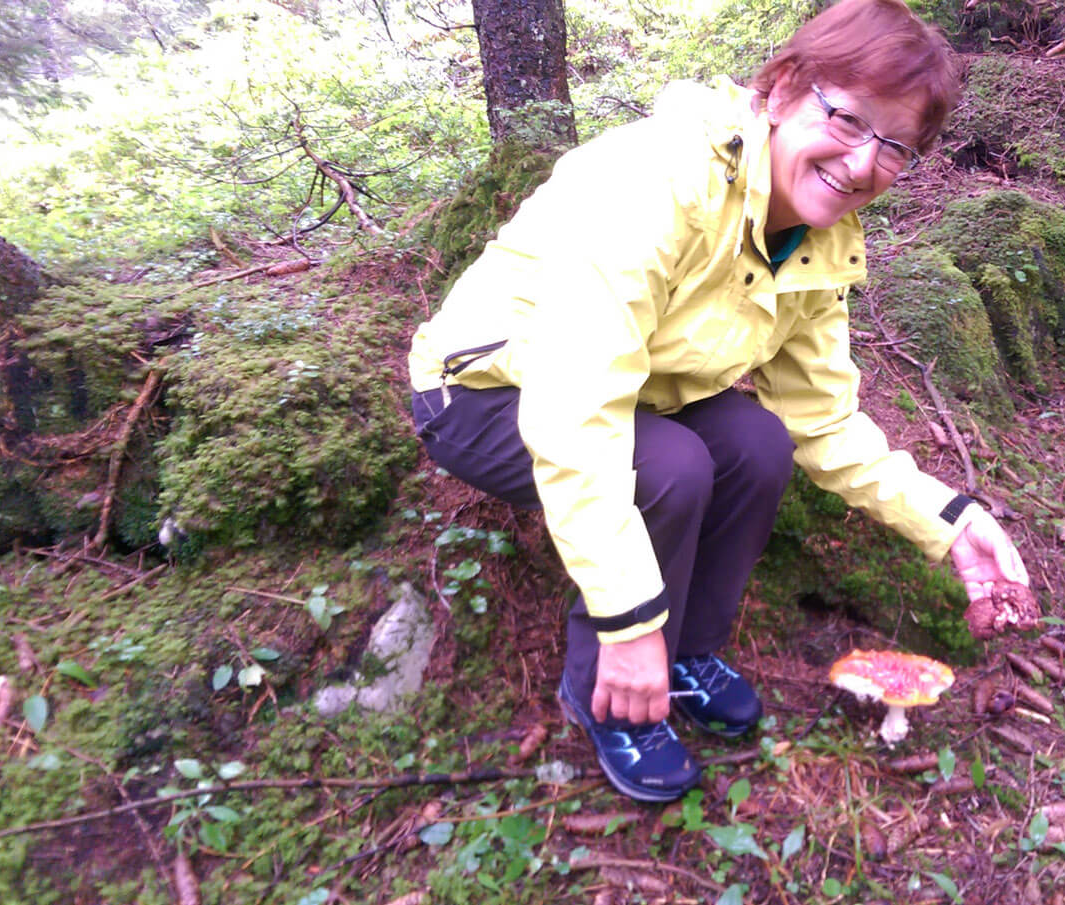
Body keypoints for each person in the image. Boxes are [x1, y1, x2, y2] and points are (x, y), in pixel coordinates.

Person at [407, 0, 1031, 802]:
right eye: (848, 119)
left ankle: (687, 650)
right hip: (487, 390)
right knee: (670, 466)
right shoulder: (657, 182)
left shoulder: (818, 239)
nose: (863, 162)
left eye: (895, 145)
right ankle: (610, 688)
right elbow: (575, 412)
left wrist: (951, 521)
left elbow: (823, 420)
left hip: (636, 391)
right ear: (783, 88)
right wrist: (628, 621)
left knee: (759, 444)